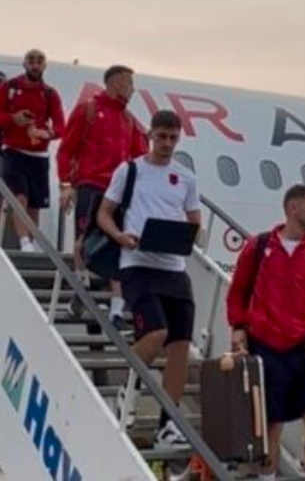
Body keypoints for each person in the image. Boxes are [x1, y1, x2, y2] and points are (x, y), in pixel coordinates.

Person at [95, 109, 201, 450]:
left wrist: (188, 237)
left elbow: (195, 220)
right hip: (137, 263)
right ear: (150, 135)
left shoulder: (186, 178)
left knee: (180, 348)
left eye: (172, 138)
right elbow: (103, 214)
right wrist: (120, 236)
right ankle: (128, 387)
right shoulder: (130, 170)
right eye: (161, 137)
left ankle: (168, 423)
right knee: (156, 333)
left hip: (174, 268)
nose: (167, 143)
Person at [226, 184, 305, 481]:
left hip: (304, 345)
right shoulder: (258, 247)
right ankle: (267, 477)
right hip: (266, 343)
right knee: (271, 424)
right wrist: (238, 327)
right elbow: (238, 292)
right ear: (292, 208)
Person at [57, 64, 148, 326]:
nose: (132, 89)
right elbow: (66, 149)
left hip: (117, 191)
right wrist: (66, 184)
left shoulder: (129, 120)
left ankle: (116, 309)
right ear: (115, 83)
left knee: (118, 244)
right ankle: (81, 286)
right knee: (83, 241)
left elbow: (139, 159)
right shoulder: (88, 110)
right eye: (129, 83)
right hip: (90, 184)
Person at [0, 49, 65, 252]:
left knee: (35, 204)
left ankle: (31, 239)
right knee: (19, 196)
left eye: (39, 61)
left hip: (39, 154)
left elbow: (61, 126)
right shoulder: (9, 87)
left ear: (45, 66)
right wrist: (13, 118)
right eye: (31, 61)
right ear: (24, 64)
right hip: (14, 150)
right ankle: (24, 241)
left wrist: (47, 133)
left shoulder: (50, 94)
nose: (35, 65)